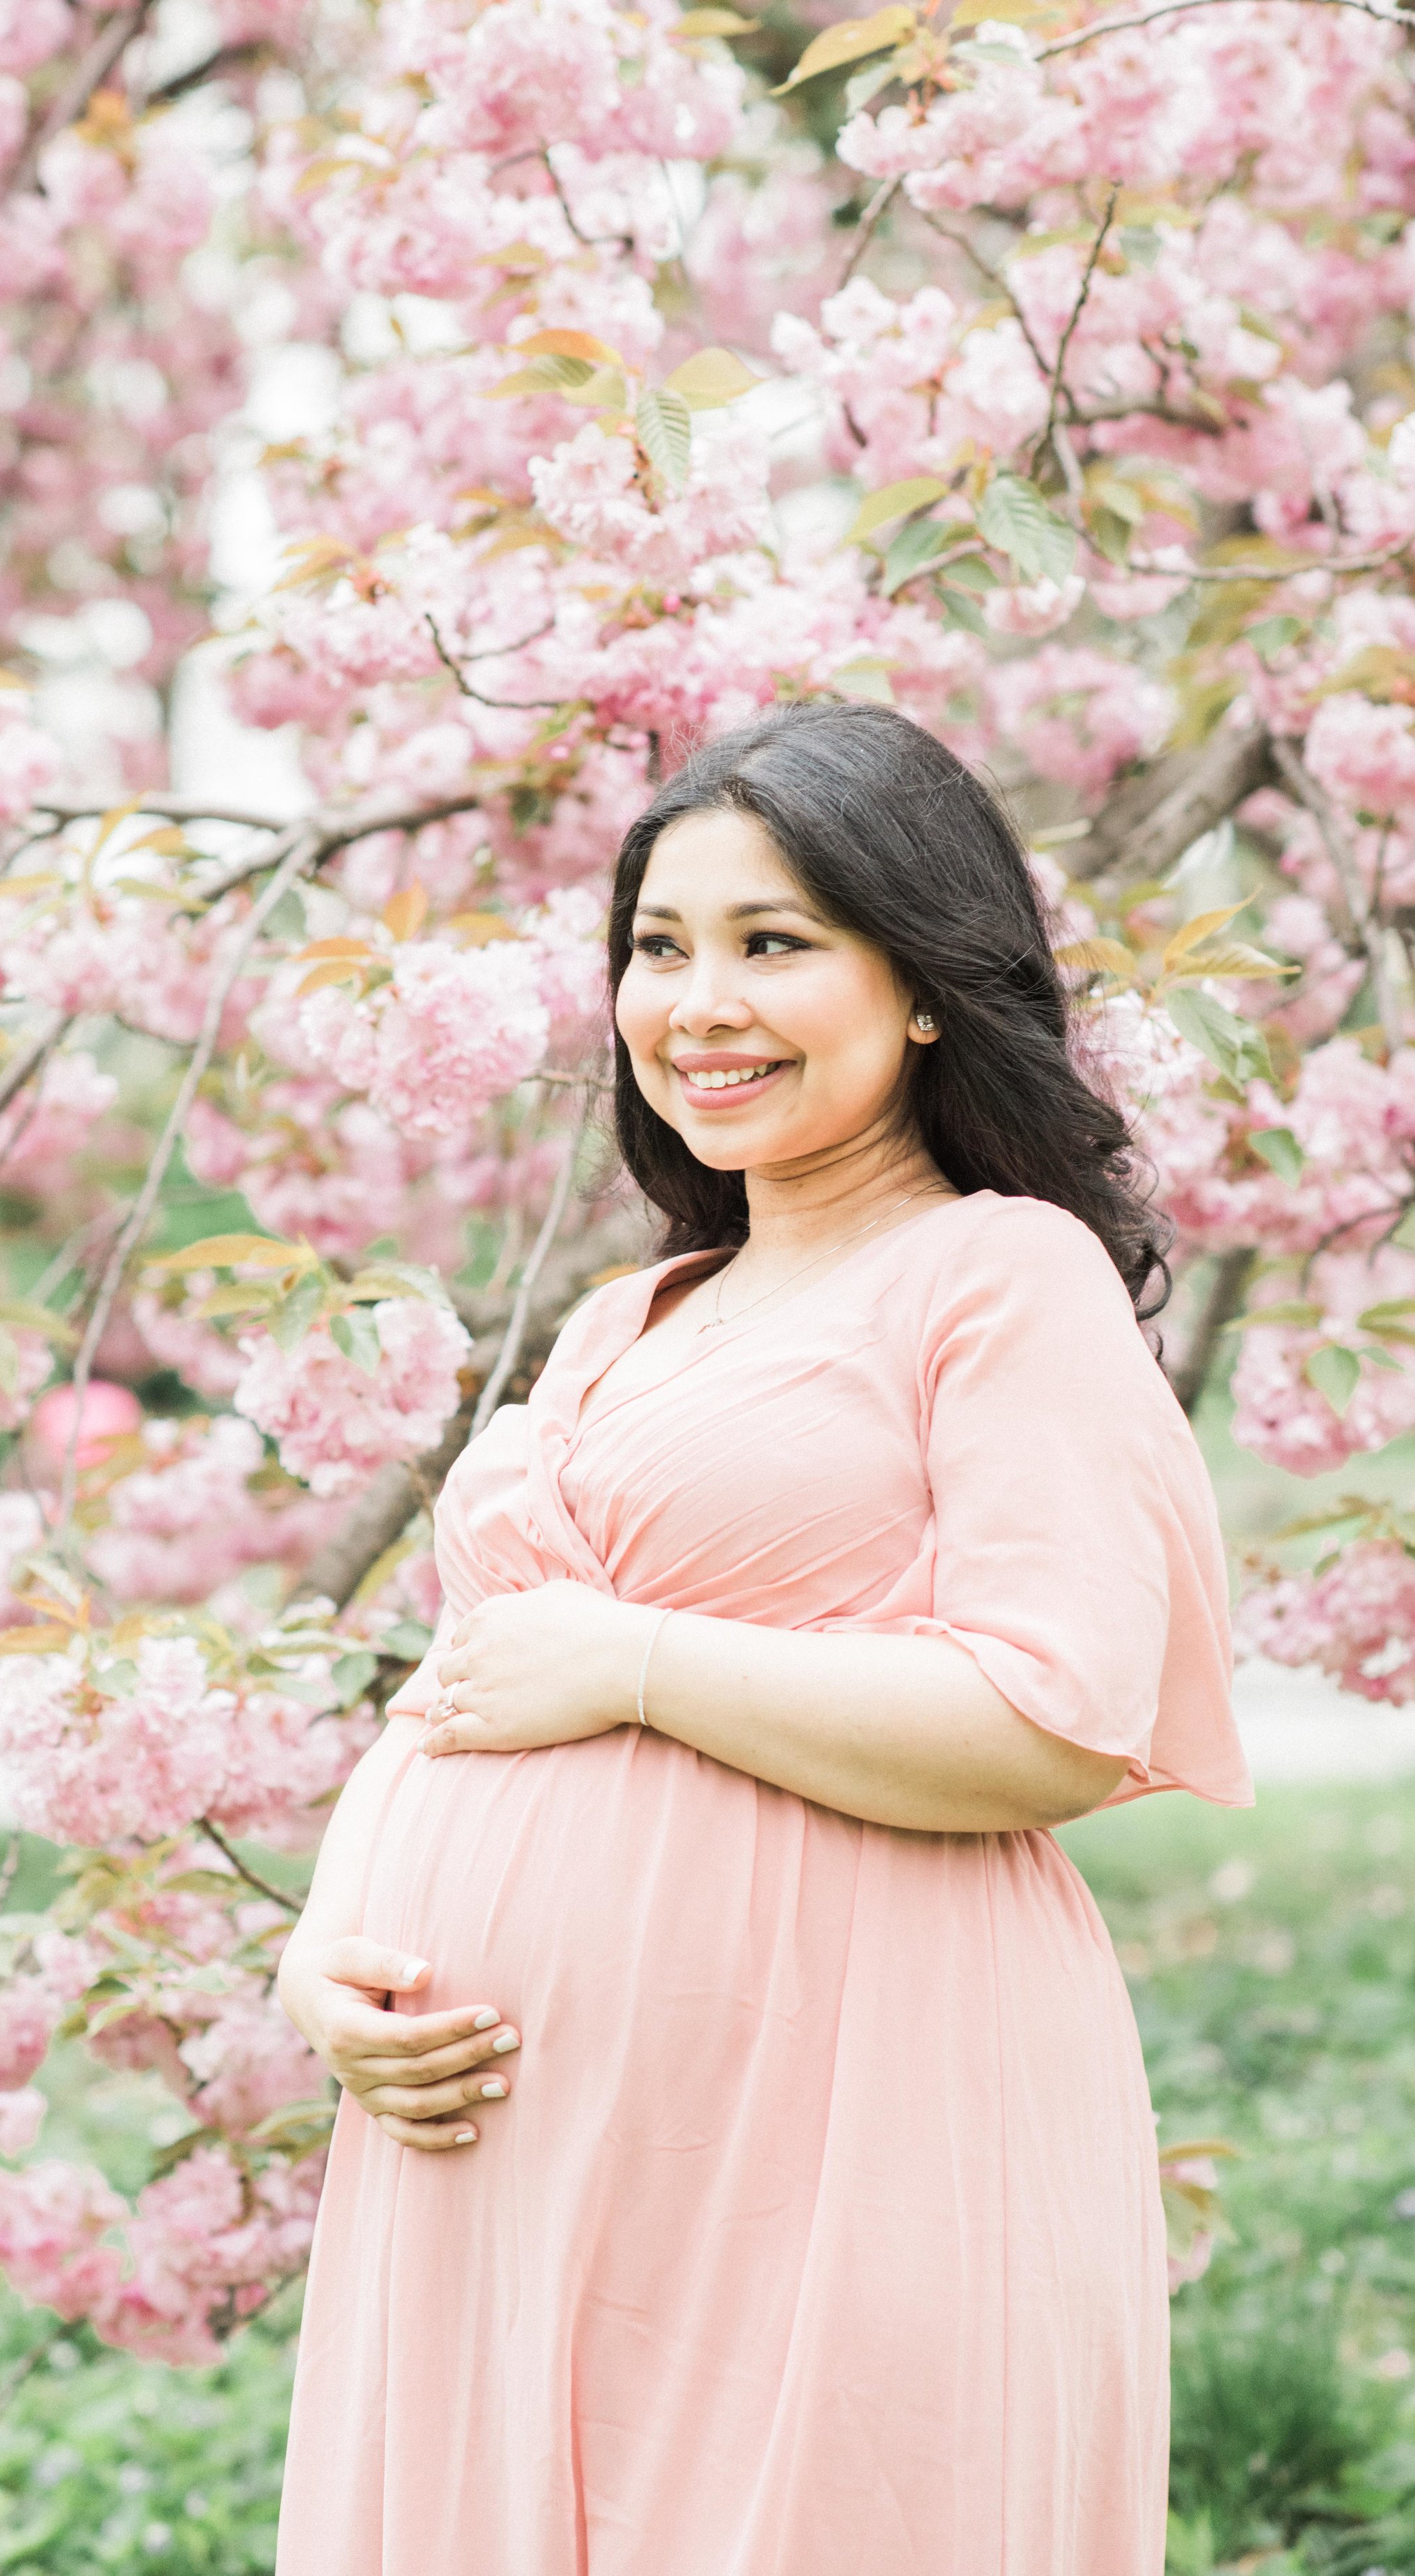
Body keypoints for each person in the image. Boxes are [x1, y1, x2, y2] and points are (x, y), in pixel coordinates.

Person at [274, 699, 1252, 2576]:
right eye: (659, 947)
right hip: (504, 2161)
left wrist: (636, 1664)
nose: (695, 1003)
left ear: (922, 988)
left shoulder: (998, 1272)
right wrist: (322, 1952)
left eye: (772, 941)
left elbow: (1051, 1712)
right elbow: (462, 1692)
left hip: (838, 2119)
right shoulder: (625, 1313)